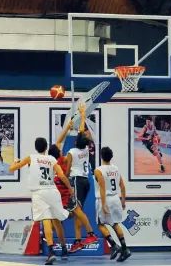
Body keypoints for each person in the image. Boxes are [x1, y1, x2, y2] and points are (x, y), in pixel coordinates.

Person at [9, 137, 74, 265]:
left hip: (39, 192)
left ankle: (51, 251)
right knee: (57, 221)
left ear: (36, 147)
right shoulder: (52, 159)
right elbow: (61, 176)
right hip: (52, 191)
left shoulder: (30, 158)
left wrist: (14, 162)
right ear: (46, 147)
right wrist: (71, 189)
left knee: (46, 220)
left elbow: (12, 169)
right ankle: (64, 249)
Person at [65, 105, 98, 253]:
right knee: (78, 212)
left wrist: (63, 182)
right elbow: (81, 131)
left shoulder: (72, 152)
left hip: (77, 181)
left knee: (77, 210)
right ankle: (78, 241)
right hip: (86, 181)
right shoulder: (85, 149)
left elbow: (66, 171)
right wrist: (83, 115)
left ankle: (91, 234)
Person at [94, 146, 131, 262]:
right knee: (115, 224)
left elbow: (102, 189)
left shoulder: (99, 170)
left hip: (105, 199)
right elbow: (122, 186)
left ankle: (114, 245)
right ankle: (125, 249)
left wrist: (103, 205)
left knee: (100, 224)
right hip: (116, 198)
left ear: (101, 156)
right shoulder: (116, 169)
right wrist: (123, 201)